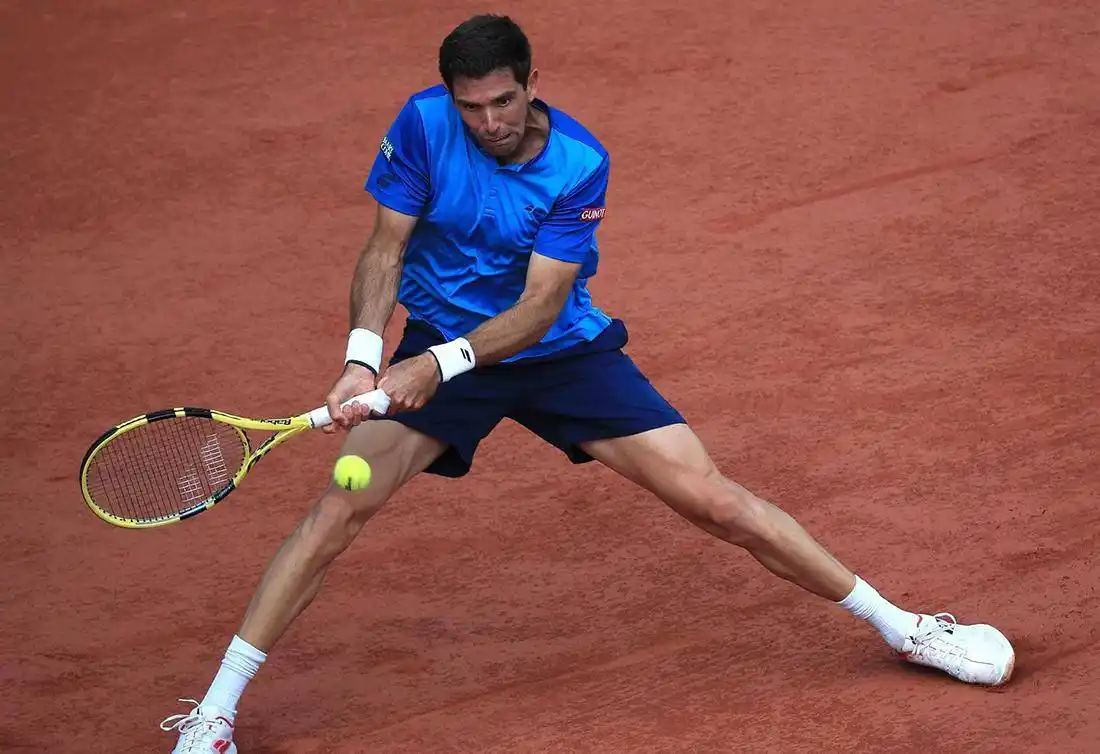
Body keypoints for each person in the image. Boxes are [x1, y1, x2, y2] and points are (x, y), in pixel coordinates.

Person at [160, 14, 1015, 753]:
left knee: (715, 502)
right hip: (441, 340)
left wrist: (434, 365)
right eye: (471, 107)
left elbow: (538, 308)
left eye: (503, 101)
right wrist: (362, 353)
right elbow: (385, 247)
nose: (488, 122)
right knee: (336, 513)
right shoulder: (422, 125)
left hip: (559, 354)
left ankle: (903, 628)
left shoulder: (577, 161)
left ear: (532, 85)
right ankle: (216, 713)